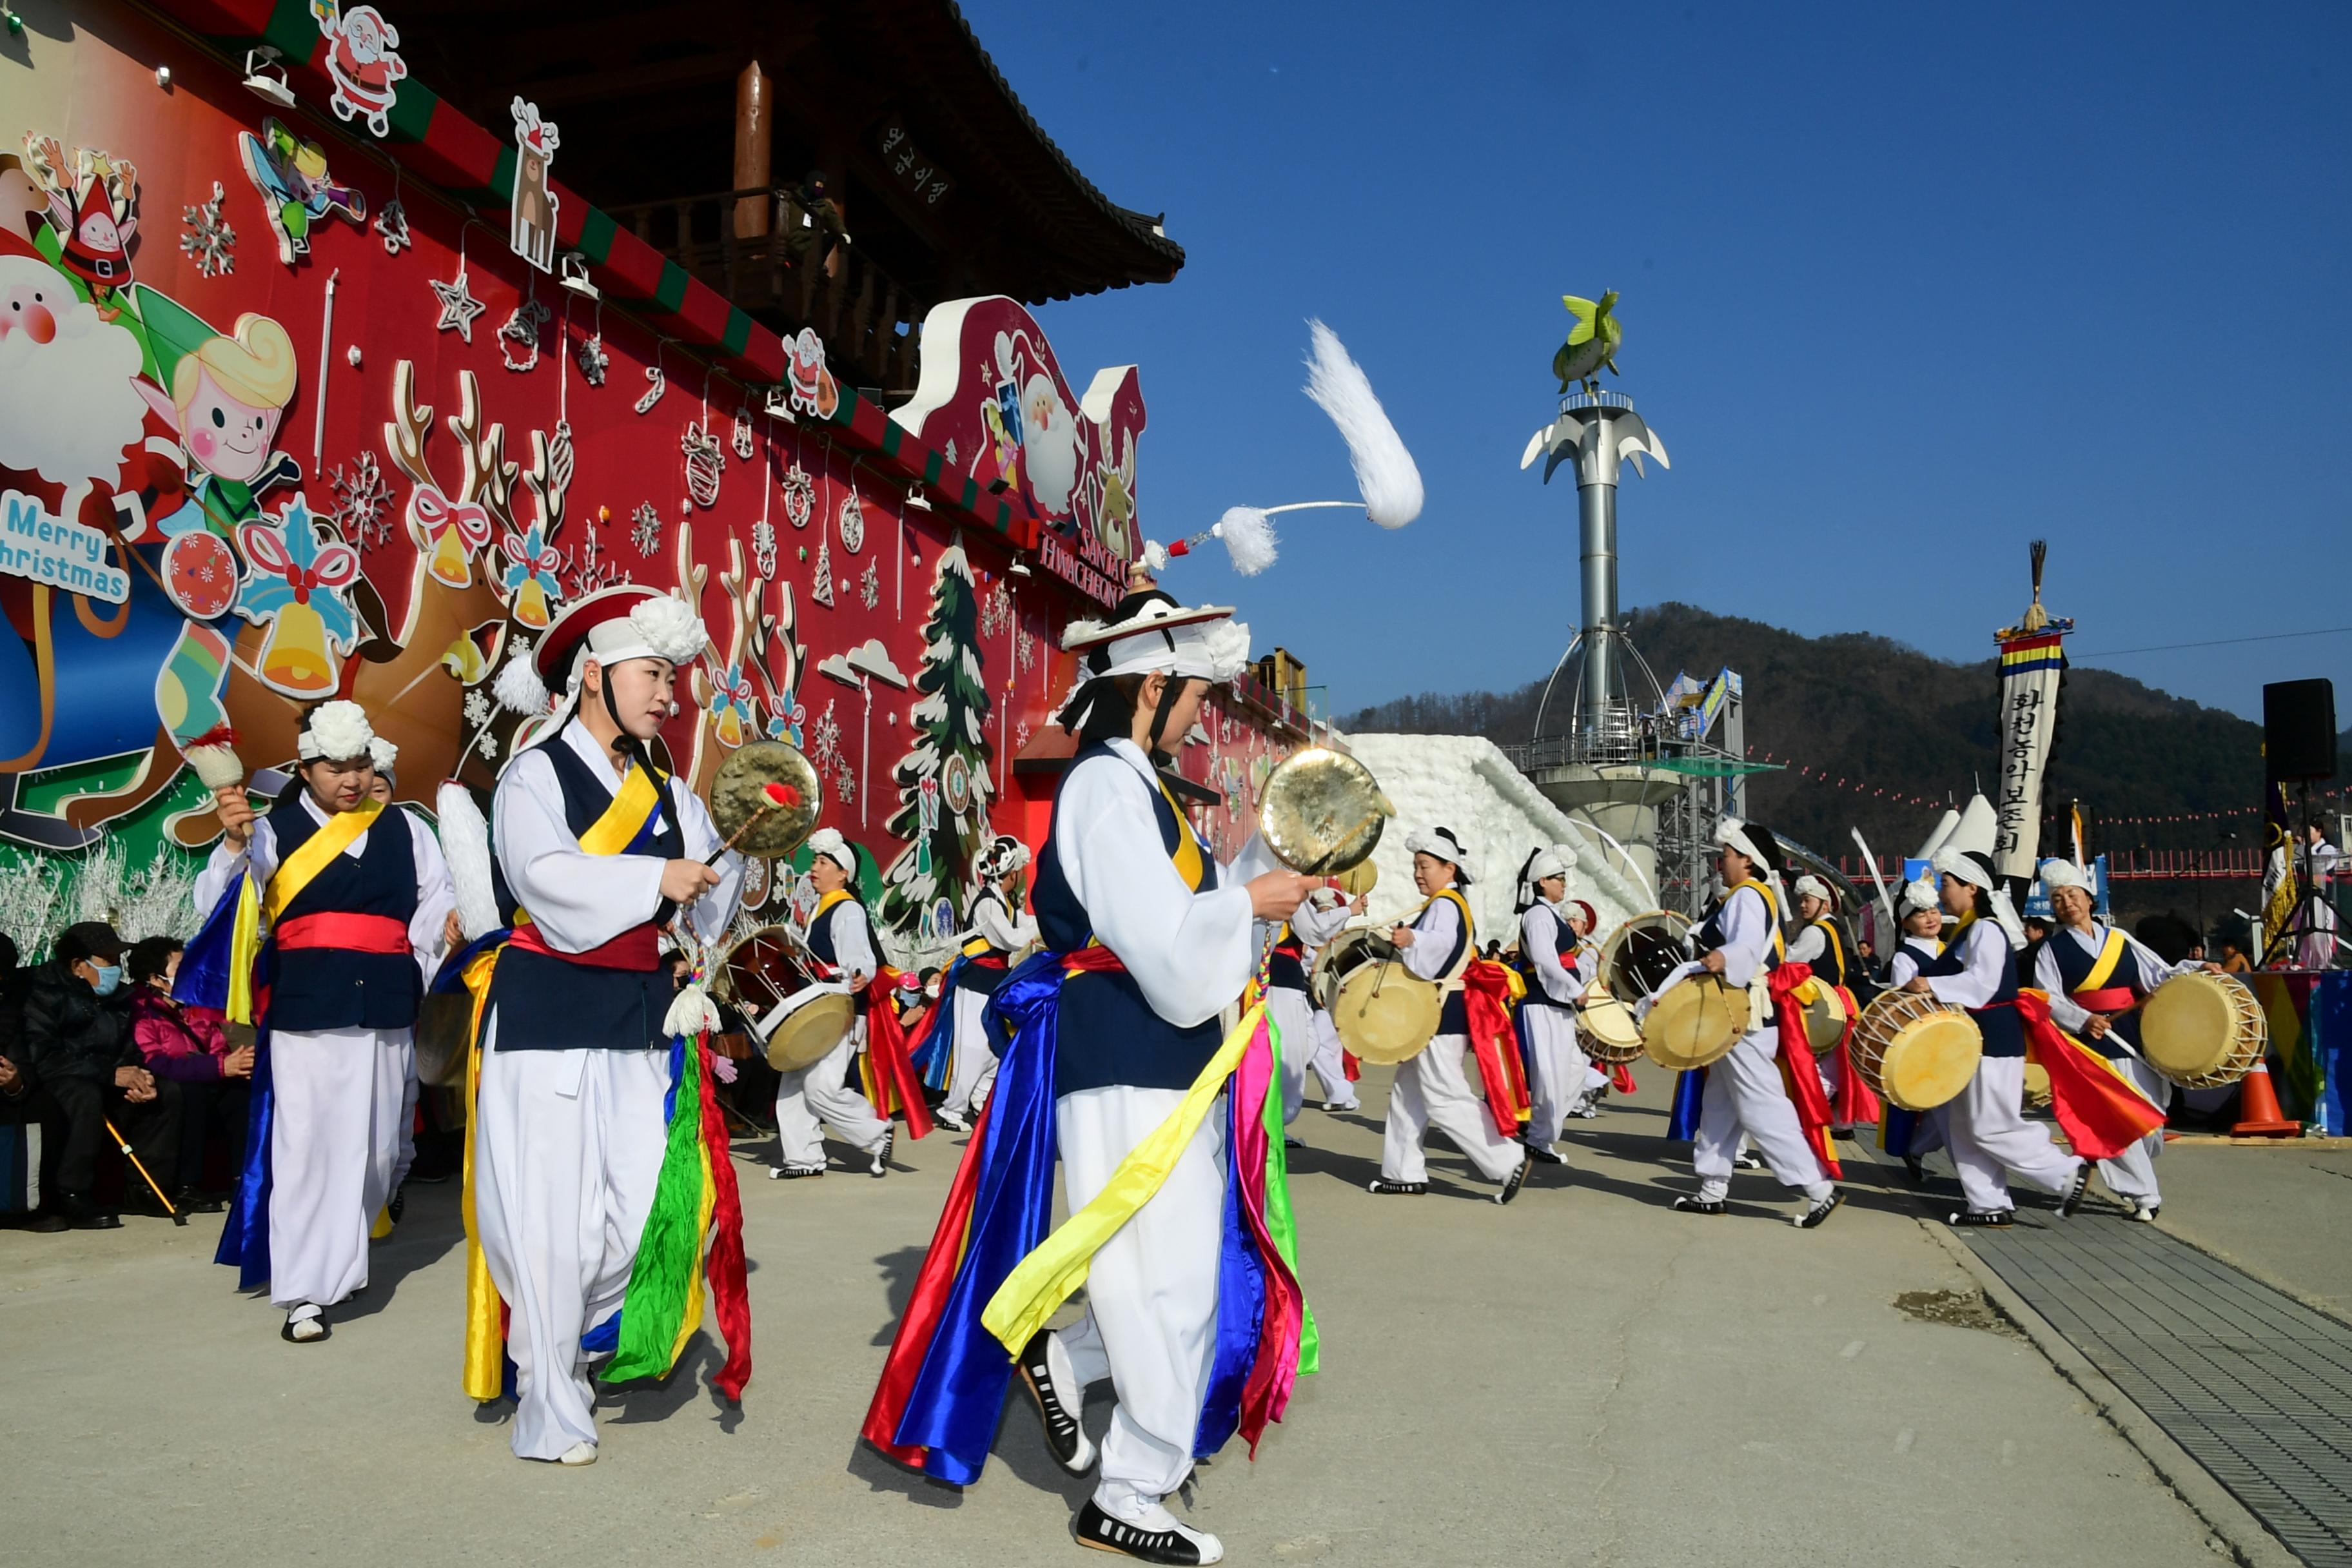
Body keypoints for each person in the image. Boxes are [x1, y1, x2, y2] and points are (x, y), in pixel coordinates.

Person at [863, 590, 1316, 1563]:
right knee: (1163, 1273)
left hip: (1156, 1050)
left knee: (1178, 1267)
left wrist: (1261, 877)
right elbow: (1165, 945)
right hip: (1128, 1047)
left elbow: (1186, 922)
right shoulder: (1107, 788)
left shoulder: (1133, 787)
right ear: (1152, 686)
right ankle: (1127, 1489)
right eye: (1195, 695)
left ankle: (1074, 1368)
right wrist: (1250, 902)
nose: (1203, 716)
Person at [471, 585, 745, 1464]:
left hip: (638, 1017)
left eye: (672, 677)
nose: (669, 694)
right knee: (550, 1220)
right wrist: (652, 881)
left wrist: (741, 855)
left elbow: (707, 885)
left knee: (642, 1213)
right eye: (653, 674)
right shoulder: (533, 773)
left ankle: (580, 1335)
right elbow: (540, 877)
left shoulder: (663, 783)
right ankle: (549, 1408)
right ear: (594, 677)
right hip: (551, 1011)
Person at [201, 701, 456, 1342]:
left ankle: (342, 1261)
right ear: (305, 766)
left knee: (379, 1151)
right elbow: (221, 905)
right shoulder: (273, 830)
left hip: (389, 1005)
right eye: (335, 767)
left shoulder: (406, 828)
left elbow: (435, 900)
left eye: (359, 765)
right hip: (308, 1010)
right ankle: (305, 1291)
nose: (349, 778)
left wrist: (448, 928)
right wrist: (234, 842)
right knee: (310, 1147)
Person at [1650, 821, 1842, 1228]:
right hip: (1740, 1015)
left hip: (1745, 1016)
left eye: (1726, 856)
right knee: (1721, 1102)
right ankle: (1712, 1188)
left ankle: (1818, 1187)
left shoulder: (1749, 896)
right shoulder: (1748, 895)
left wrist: (1723, 958)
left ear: (1747, 859)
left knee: (1760, 1105)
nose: (1721, 863)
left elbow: (1747, 946)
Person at [1906, 848, 2090, 1228]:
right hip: (1971, 1040)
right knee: (1961, 1125)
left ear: (1971, 887)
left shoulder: (1986, 929)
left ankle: (2065, 1172)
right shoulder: (1967, 931)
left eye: (1947, 884)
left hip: (1993, 1037)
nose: (1941, 893)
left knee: (1991, 1124)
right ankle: (1987, 1204)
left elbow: (1984, 984)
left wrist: (1931, 983)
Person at [1367, 827, 1533, 1201]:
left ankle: (1508, 1160)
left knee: (1444, 1096)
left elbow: (1438, 950)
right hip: (1436, 1011)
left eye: (1425, 865)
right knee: (1408, 1093)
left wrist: (1412, 941)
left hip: (1439, 1012)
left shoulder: (1445, 904)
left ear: (1449, 868)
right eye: (1416, 866)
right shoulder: (1445, 902)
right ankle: (1402, 1171)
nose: (1418, 873)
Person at [2034, 859, 2204, 1222]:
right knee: (2117, 1119)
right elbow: (2049, 998)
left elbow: (2160, 974)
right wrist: (2083, 1019)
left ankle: (2137, 1177)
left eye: (2073, 894)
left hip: (2134, 1035)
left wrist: (2198, 969)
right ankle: (2145, 1196)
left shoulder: (2120, 939)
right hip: (2093, 1042)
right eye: (2059, 898)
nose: (2068, 903)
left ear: (2089, 899)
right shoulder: (2051, 950)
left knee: (2151, 1116)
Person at [17, 921, 179, 1229]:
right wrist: (110, 1074)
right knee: (83, 1095)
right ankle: (72, 1192)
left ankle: (144, 1186)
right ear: (79, 965)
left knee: (164, 1090)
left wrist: (137, 1075)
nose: (116, 969)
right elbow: (44, 1055)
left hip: (106, 1074)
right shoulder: (43, 993)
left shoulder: (120, 998)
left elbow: (130, 1047)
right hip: (60, 1079)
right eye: (108, 960)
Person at [771, 828, 899, 1179]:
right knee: (794, 1084)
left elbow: (860, 959)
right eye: (815, 861)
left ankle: (876, 1132)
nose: (814, 868)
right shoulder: (820, 909)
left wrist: (861, 974)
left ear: (843, 873)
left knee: (820, 1088)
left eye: (823, 862)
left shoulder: (848, 909)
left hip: (836, 1012)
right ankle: (804, 1159)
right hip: (815, 1010)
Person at [127, 936, 253, 1212]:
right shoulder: (140, 1012)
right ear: (156, 979)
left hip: (204, 1078)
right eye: (181, 967)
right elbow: (156, 1063)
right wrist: (219, 1067)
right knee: (190, 1093)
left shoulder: (193, 1008)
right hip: (172, 1087)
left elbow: (216, 1045)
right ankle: (187, 1185)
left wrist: (232, 1065)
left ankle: (241, 1179)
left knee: (239, 1093)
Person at [934, 834, 1037, 1133]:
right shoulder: (988, 905)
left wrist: (1037, 924)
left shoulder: (1002, 901)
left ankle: (979, 1097)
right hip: (976, 979)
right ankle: (952, 1109)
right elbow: (1013, 938)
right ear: (1012, 873)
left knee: (996, 1044)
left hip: (994, 980)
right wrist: (1038, 929)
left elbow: (1022, 923)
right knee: (973, 1047)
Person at [1259, 881, 1357, 1133]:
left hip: (1279, 978)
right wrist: (1349, 910)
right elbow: (1312, 929)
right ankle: (1273, 1127)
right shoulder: (1286, 884)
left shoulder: (1268, 878)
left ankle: (1272, 1122)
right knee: (1289, 1053)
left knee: (1308, 1043)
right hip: (1281, 979)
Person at [1514, 847, 1587, 1162]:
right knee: (1548, 1072)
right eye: (1559, 879)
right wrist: (1573, 986)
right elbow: (1545, 958)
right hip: (1542, 1002)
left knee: (1573, 1070)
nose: (1564, 884)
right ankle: (1539, 1138)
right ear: (1543, 881)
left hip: (1557, 1002)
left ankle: (1541, 1131)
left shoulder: (1550, 914)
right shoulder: (1538, 914)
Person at [1883, 877, 1951, 1184]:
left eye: (1934, 910)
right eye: (1921, 913)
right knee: (1946, 1104)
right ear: (1906, 923)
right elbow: (1903, 1004)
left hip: (1955, 1037)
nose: (1931, 917)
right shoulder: (1905, 957)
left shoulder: (1948, 948)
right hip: (1928, 1041)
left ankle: (1918, 1147)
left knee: (1948, 1105)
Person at [2301, 822, 2341, 970]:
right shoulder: (2305, 849)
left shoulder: (2327, 849)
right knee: (2305, 929)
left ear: (2319, 832)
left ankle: (2323, 962)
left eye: (2309, 831)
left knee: (2320, 931)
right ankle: (2308, 962)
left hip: (2322, 895)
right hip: (2306, 895)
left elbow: (2321, 867)